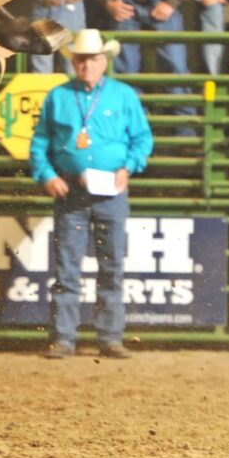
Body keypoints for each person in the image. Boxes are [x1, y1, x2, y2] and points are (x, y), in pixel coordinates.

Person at [29, 28, 152, 360]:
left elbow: (142, 139)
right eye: (81, 59)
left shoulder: (123, 95)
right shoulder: (58, 96)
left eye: (93, 59)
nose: (87, 65)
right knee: (67, 267)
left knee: (111, 266)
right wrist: (48, 176)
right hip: (70, 189)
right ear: (74, 62)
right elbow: (39, 143)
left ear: (103, 61)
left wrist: (128, 167)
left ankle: (110, 337)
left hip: (111, 189)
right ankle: (64, 338)